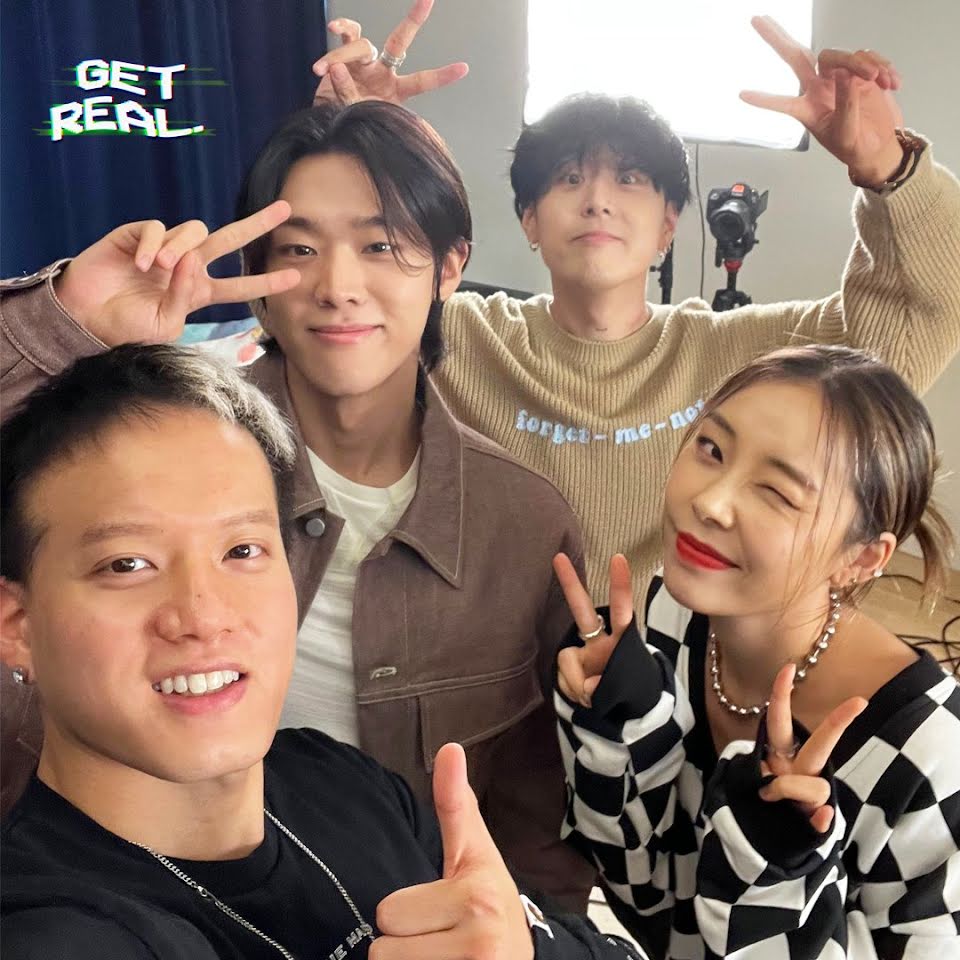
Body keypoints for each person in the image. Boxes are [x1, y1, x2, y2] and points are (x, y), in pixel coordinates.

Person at [0, 100, 596, 908]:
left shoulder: (521, 522)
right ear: (259, 281)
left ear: (450, 266)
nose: (337, 287)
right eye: (300, 250)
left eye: (380, 245)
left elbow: (532, 820)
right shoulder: (155, 452)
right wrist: (62, 326)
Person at [0, 343, 642, 960]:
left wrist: (525, 947)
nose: (203, 616)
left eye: (242, 551)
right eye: (127, 564)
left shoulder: (341, 783)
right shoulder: (50, 935)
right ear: (17, 624)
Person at [312, 2, 960, 606]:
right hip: (482, 655)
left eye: (629, 179)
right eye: (569, 178)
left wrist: (888, 168)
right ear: (530, 220)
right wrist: (357, 147)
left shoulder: (736, 356)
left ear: (668, 225)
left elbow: (914, 324)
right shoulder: (461, 337)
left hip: (652, 666)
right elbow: (322, 301)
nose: (597, 200)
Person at [550, 344, 959, 959]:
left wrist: (779, 872)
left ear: (861, 558)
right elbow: (640, 892)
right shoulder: (665, 621)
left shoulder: (933, 761)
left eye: (777, 492)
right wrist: (614, 731)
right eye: (711, 449)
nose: (709, 502)